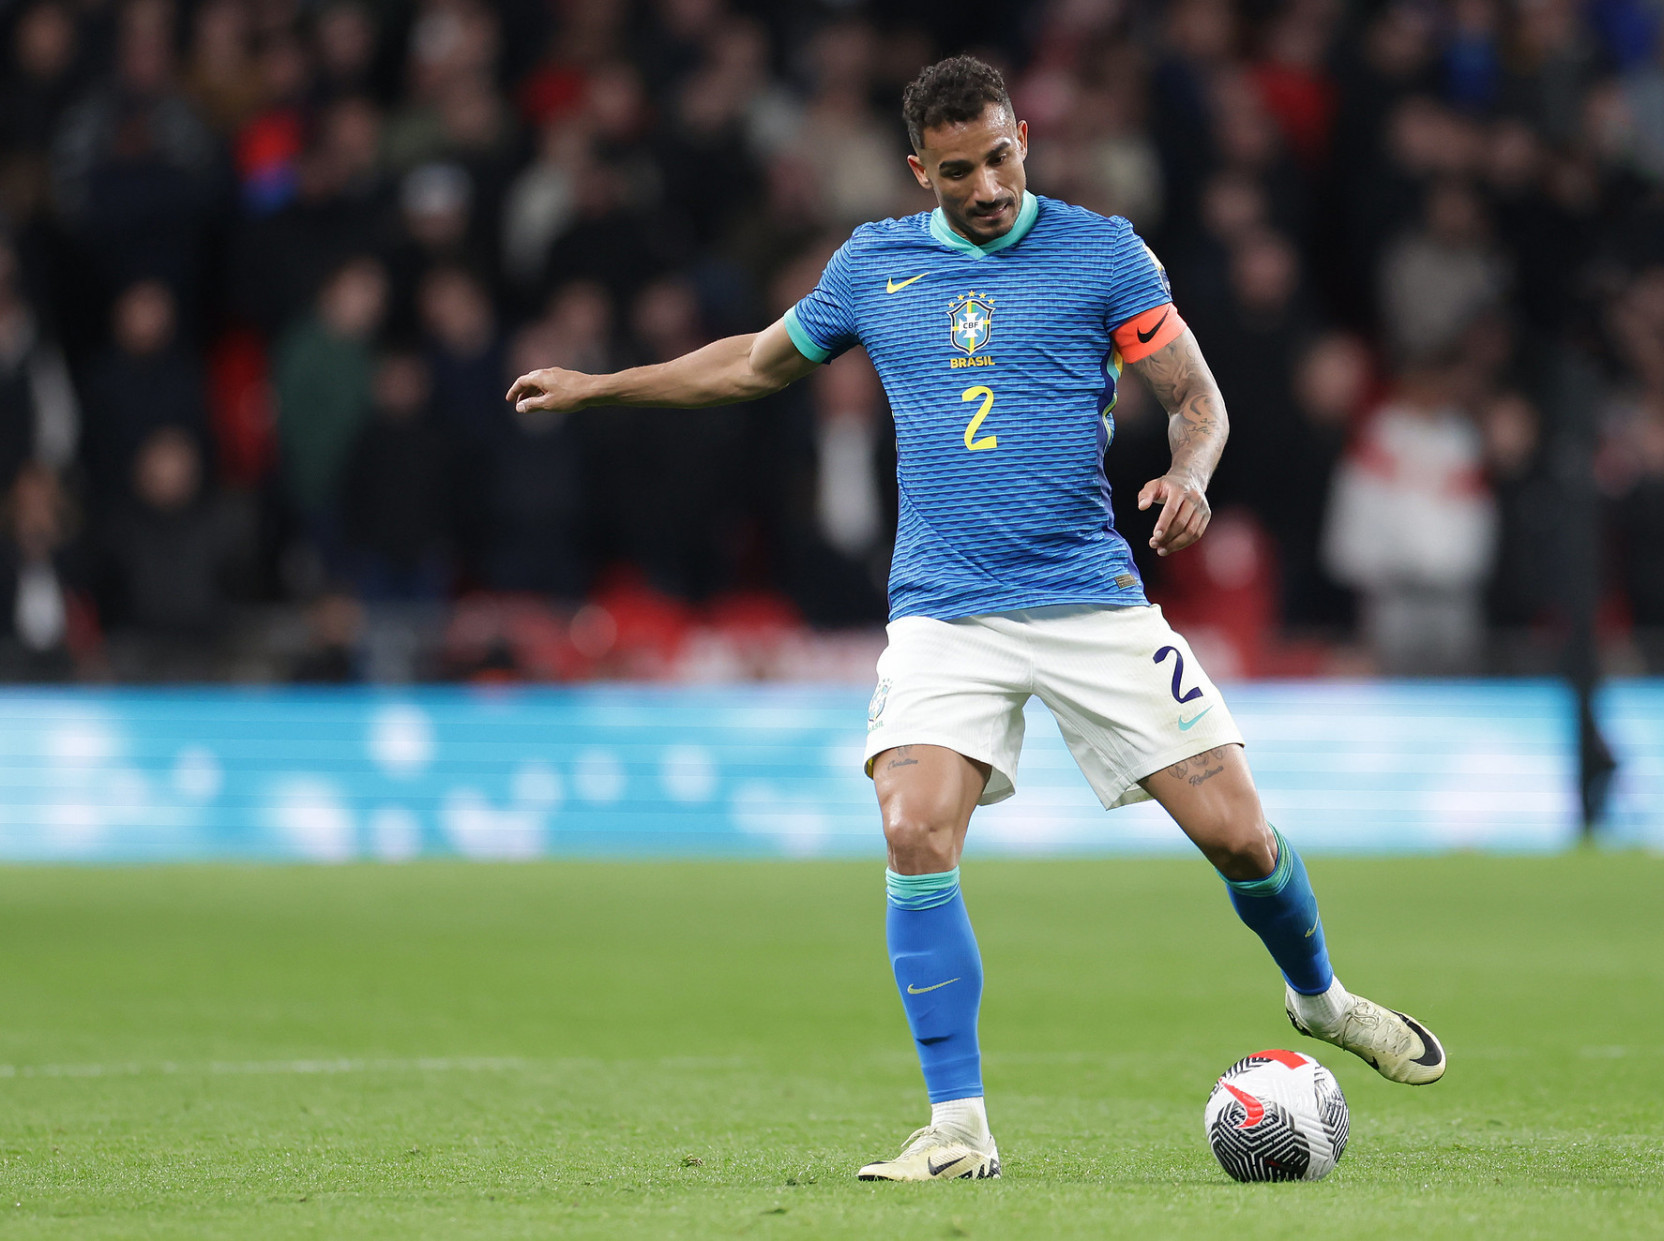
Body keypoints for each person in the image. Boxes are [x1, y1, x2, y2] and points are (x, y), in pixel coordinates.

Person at [506, 56, 1446, 1183]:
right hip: (945, 613)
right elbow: (753, 366)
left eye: (1000, 156)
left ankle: (1322, 997)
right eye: (959, 170)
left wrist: (1191, 473)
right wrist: (599, 384)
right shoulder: (873, 264)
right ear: (922, 171)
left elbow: (1196, 398)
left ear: (1024, 138)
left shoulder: (1103, 252)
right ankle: (959, 1127)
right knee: (912, 831)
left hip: (1089, 598)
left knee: (1242, 838)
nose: (988, 184)